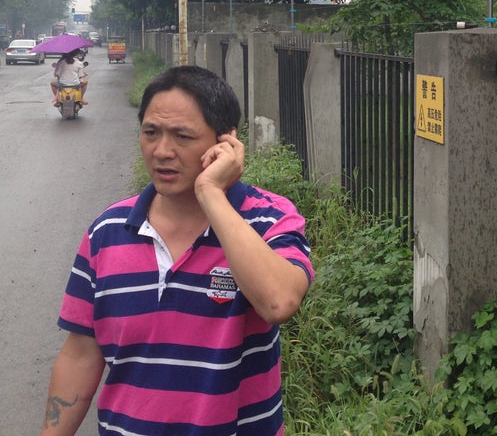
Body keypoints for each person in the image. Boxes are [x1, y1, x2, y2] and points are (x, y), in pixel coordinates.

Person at [40, 66, 313, 435]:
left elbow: (279, 301)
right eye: (151, 133)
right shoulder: (107, 232)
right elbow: (81, 355)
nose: (162, 151)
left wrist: (211, 193)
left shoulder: (268, 220)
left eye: (182, 136)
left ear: (225, 143)